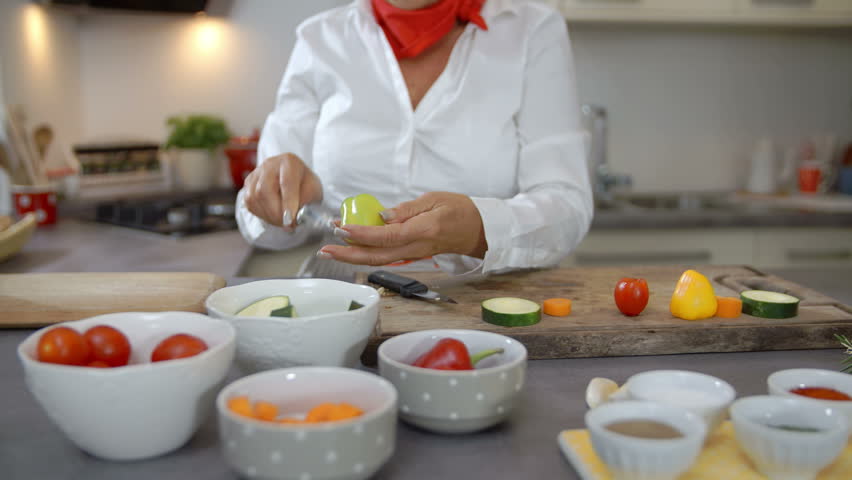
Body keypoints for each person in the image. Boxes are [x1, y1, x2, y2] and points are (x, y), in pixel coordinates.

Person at [237, 0, 593, 275]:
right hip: (343, 303)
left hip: (481, 303)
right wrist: (282, 198)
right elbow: (262, 228)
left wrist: (481, 229)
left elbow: (567, 204)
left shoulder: (533, 30)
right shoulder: (318, 39)